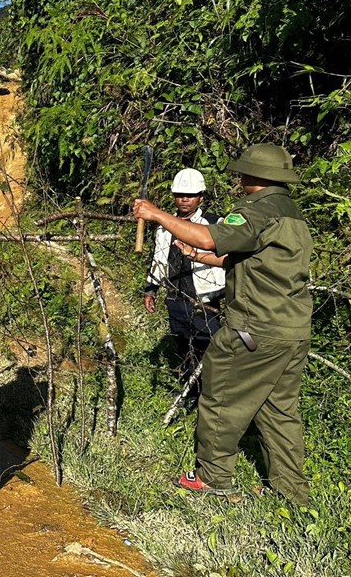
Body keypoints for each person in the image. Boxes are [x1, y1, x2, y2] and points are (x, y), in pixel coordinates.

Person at [133, 144, 312, 504]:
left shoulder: (256, 210)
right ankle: (291, 491)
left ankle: (212, 477)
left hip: (255, 329)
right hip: (292, 331)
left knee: (220, 396)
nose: (239, 177)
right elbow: (250, 261)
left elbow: (208, 235)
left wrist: (155, 214)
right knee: (278, 410)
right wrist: (198, 256)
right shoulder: (291, 214)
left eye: (243, 172)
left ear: (255, 176)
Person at [143, 168, 226, 386]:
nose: (184, 200)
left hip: (204, 300)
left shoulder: (214, 223)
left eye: (190, 195)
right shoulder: (164, 226)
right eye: (180, 195)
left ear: (201, 197)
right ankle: (190, 389)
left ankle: (213, 391)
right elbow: (159, 258)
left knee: (210, 346)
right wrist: (151, 288)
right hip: (175, 298)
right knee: (183, 346)